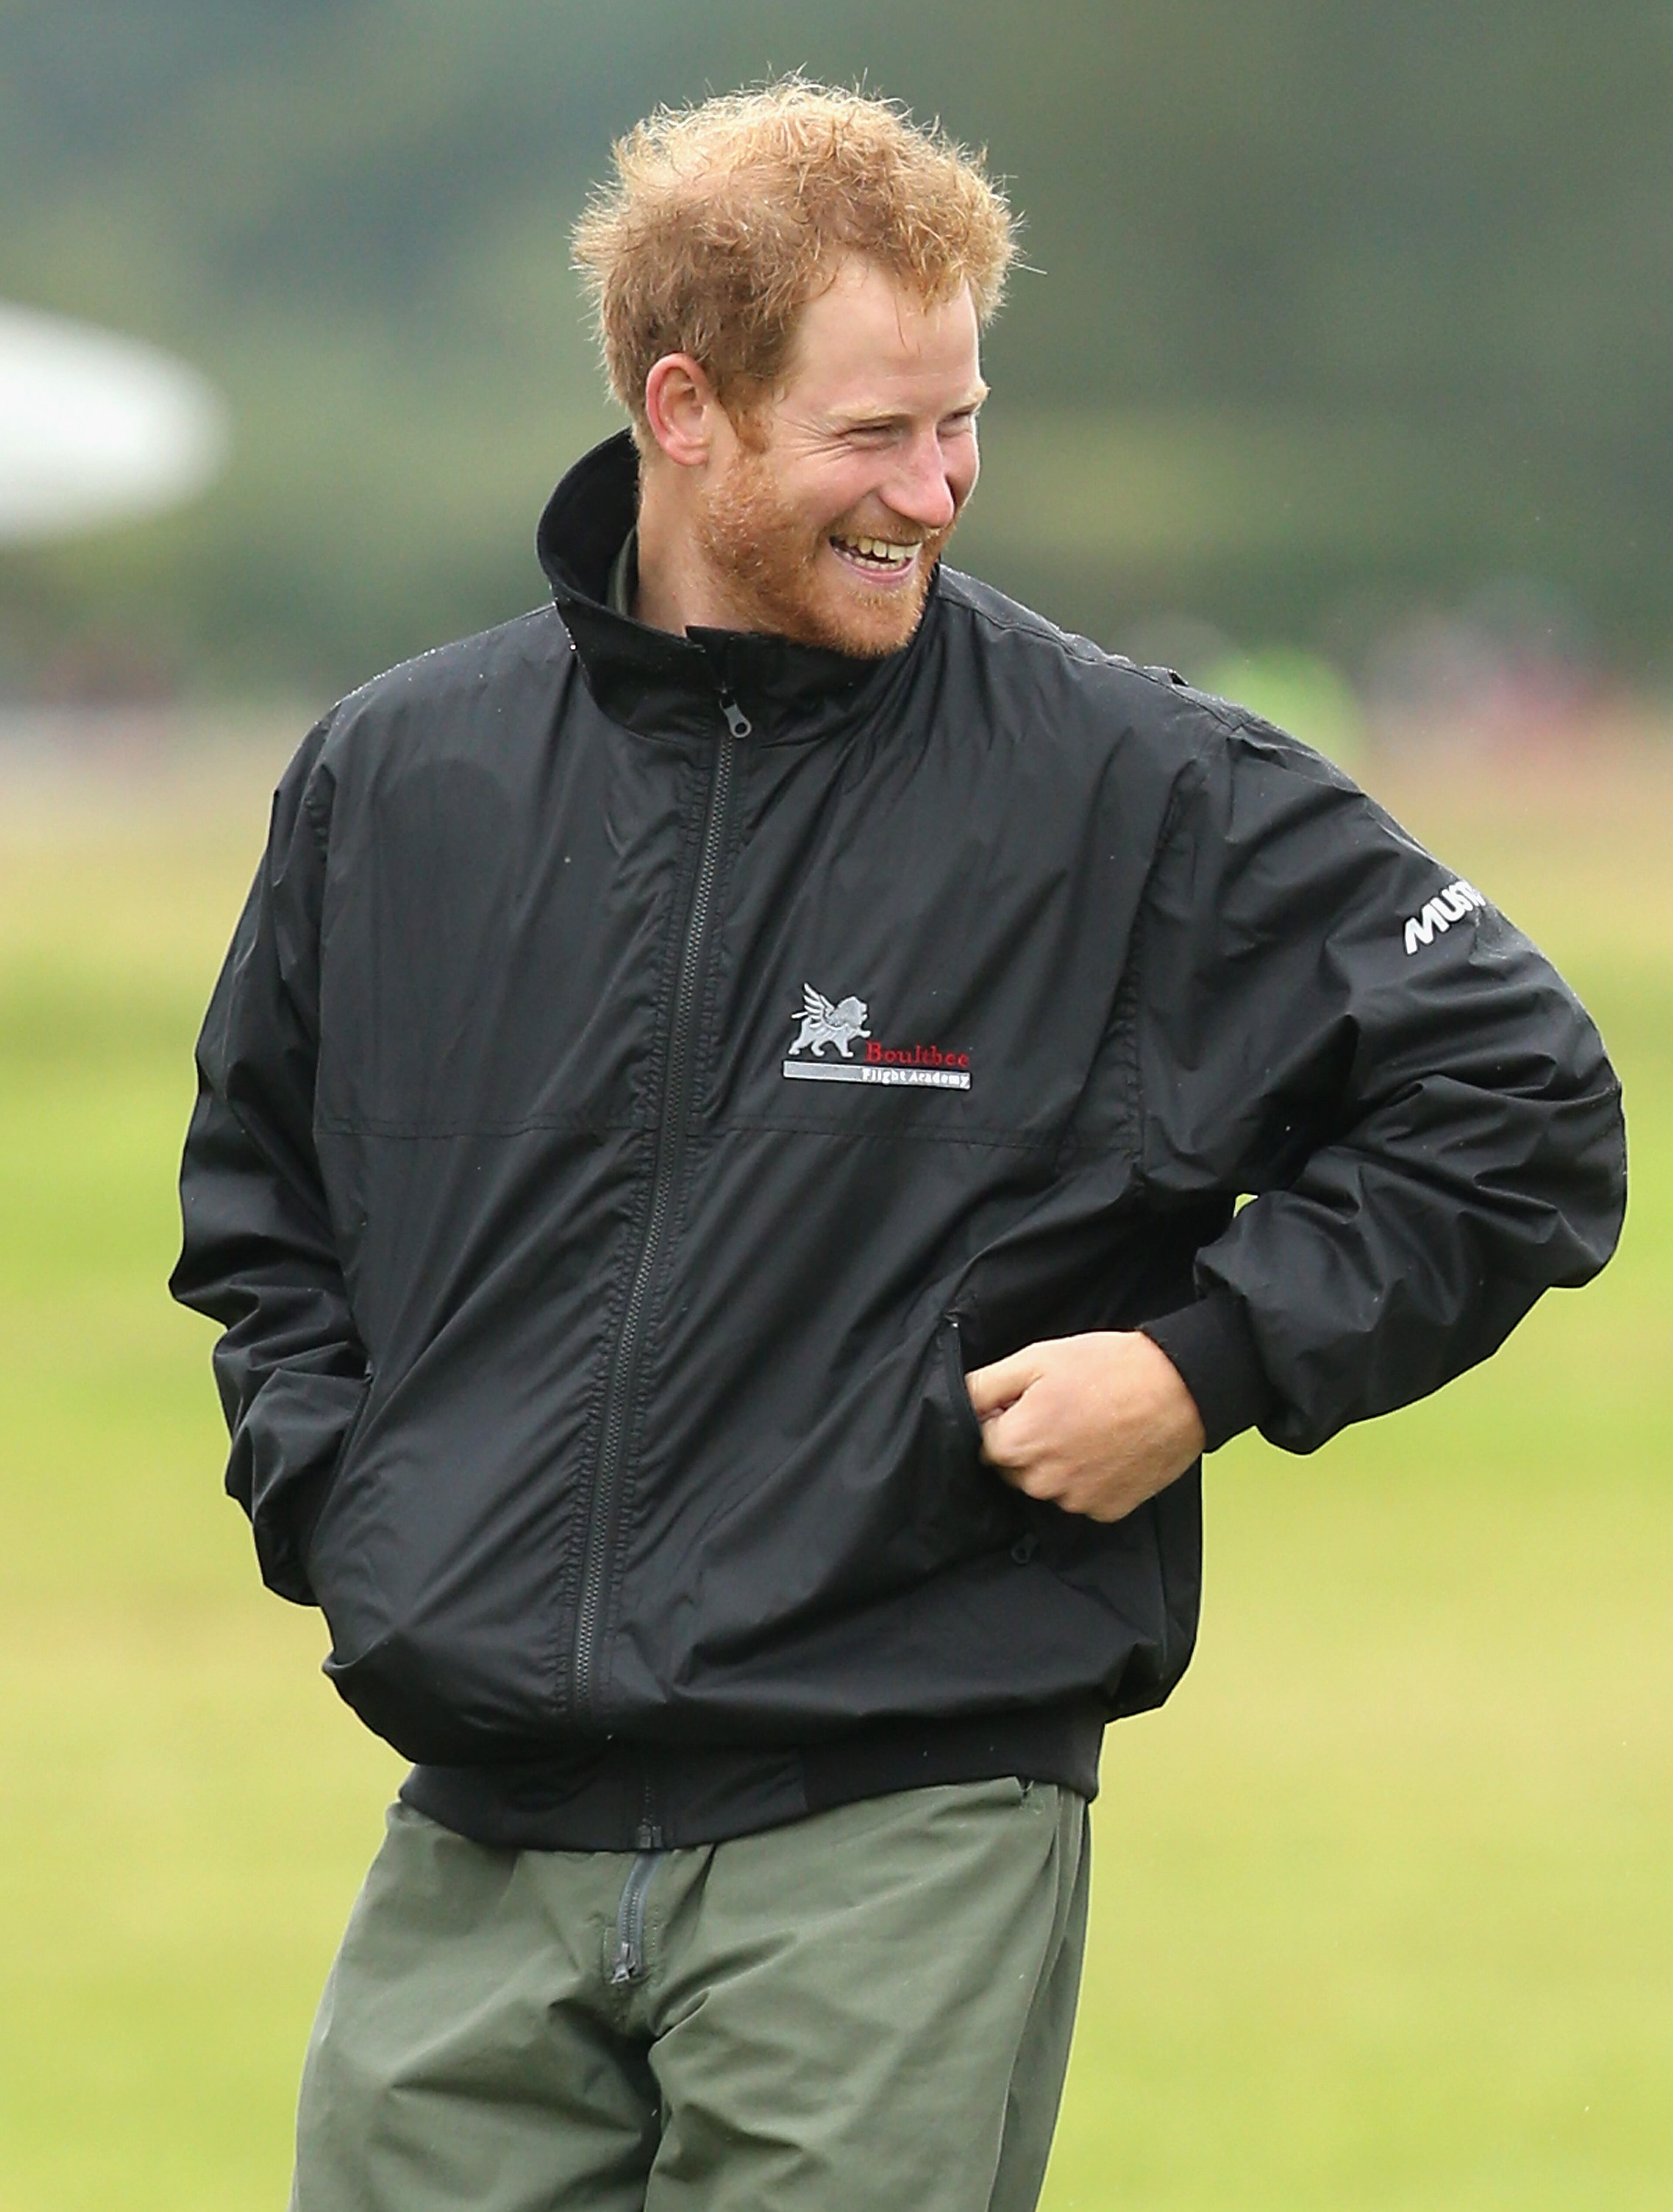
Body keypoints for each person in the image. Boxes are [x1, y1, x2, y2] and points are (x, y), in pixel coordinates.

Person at [170, 80, 1625, 2212]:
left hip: (899, 1821)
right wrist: (353, 1505)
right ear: (685, 406)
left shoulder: (1133, 786)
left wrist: (1203, 1364)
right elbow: (261, 1205)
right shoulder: (398, 777)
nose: (935, 490)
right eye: (876, 433)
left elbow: (1522, 1099)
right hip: (476, 1830)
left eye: (963, 425)